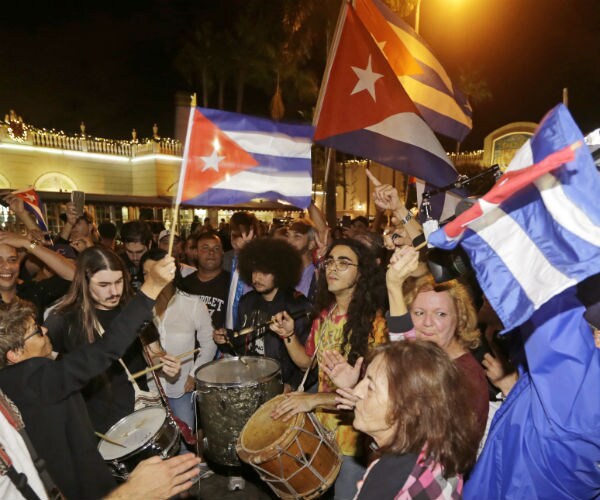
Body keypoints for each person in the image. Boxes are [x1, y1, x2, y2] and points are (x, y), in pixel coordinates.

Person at [0, 255, 177, 498]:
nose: (44, 330)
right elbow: (106, 349)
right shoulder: (37, 379)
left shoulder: (11, 382)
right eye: (35, 332)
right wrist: (153, 286)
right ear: (15, 353)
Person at [270, 238, 388, 500]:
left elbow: (368, 395)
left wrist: (311, 400)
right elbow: (307, 363)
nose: (333, 268)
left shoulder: (376, 325)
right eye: (330, 261)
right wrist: (288, 336)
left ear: (362, 273)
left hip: (354, 439)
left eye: (344, 263)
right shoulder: (325, 314)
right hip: (324, 432)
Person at [44, 246, 181, 434]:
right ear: (84, 281)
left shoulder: (133, 309)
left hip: (139, 411)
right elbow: (46, 370)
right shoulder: (62, 319)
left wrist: (164, 363)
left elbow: (154, 352)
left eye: (118, 282)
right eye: (103, 285)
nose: (114, 292)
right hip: (96, 424)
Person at [336, 341, 480, 499]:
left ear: (410, 408)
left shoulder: (388, 475)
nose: (357, 392)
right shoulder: (439, 447)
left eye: (371, 388)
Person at [386, 247, 489, 437]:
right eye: (419, 313)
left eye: (440, 314)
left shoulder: (465, 377)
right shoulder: (429, 359)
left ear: (460, 318)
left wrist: (393, 285)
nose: (427, 323)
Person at [214, 238, 313, 390]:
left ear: (280, 272)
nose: (257, 278)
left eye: (265, 272)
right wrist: (226, 338)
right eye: (254, 271)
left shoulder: (297, 306)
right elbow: (242, 346)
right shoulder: (247, 302)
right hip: (252, 382)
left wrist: (292, 384)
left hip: (283, 388)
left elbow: (310, 359)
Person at [140, 248, 216, 433]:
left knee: (184, 442)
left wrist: (194, 373)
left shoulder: (193, 305)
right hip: (150, 390)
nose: (150, 279)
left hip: (181, 388)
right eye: (145, 274)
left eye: (155, 273)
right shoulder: (139, 308)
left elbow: (209, 343)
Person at [180, 230, 230, 330]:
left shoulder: (232, 284)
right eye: (205, 248)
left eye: (216, 248)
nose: (211, 252)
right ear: (196, 253)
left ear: (222, 253)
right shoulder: (185, 284)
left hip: (222, 344)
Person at [287, 219, 318, 300]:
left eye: (297, 236)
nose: (289, 241)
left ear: (311, 244)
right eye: (288, 235)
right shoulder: (282, 270)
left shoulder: (315, 275)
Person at [119, 220, 153, 290]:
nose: (134, 258)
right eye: (129, 252)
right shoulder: (118, 264)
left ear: (149, 244)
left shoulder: (158, 263)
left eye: (139, 252)